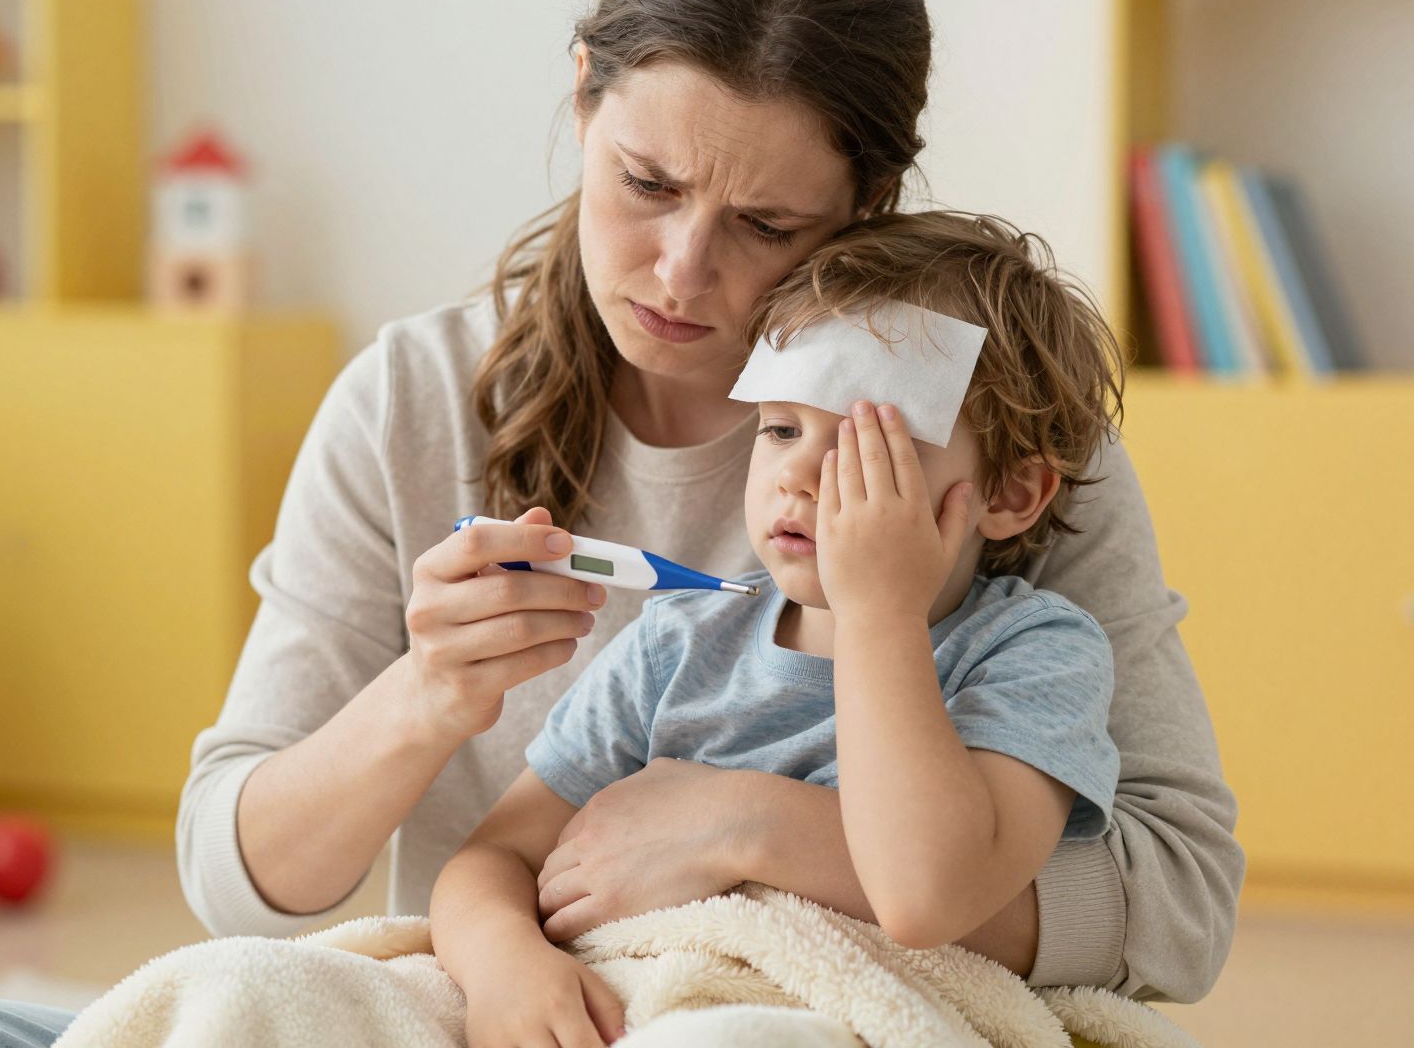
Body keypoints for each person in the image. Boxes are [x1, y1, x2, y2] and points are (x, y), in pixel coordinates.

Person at [0, 0, 1240, 1043]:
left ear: (862, 207)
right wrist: (428, 701)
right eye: (646, 185)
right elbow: (240, 884)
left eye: (764, 224)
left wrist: (743, 831)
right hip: (491, 1007)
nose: (683, 272)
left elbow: (1176, 904)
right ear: (582, 100)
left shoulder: (978, 436)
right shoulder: (413, 401)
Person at [434, 211, 1126, 1046]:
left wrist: (878, 611)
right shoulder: (678, 641)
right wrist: (507, 961)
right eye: (782, 428)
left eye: (869, 450)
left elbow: (925, 894)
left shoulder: (1035, 654)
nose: (798, 473)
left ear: (1009, 495)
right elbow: (490, 861)